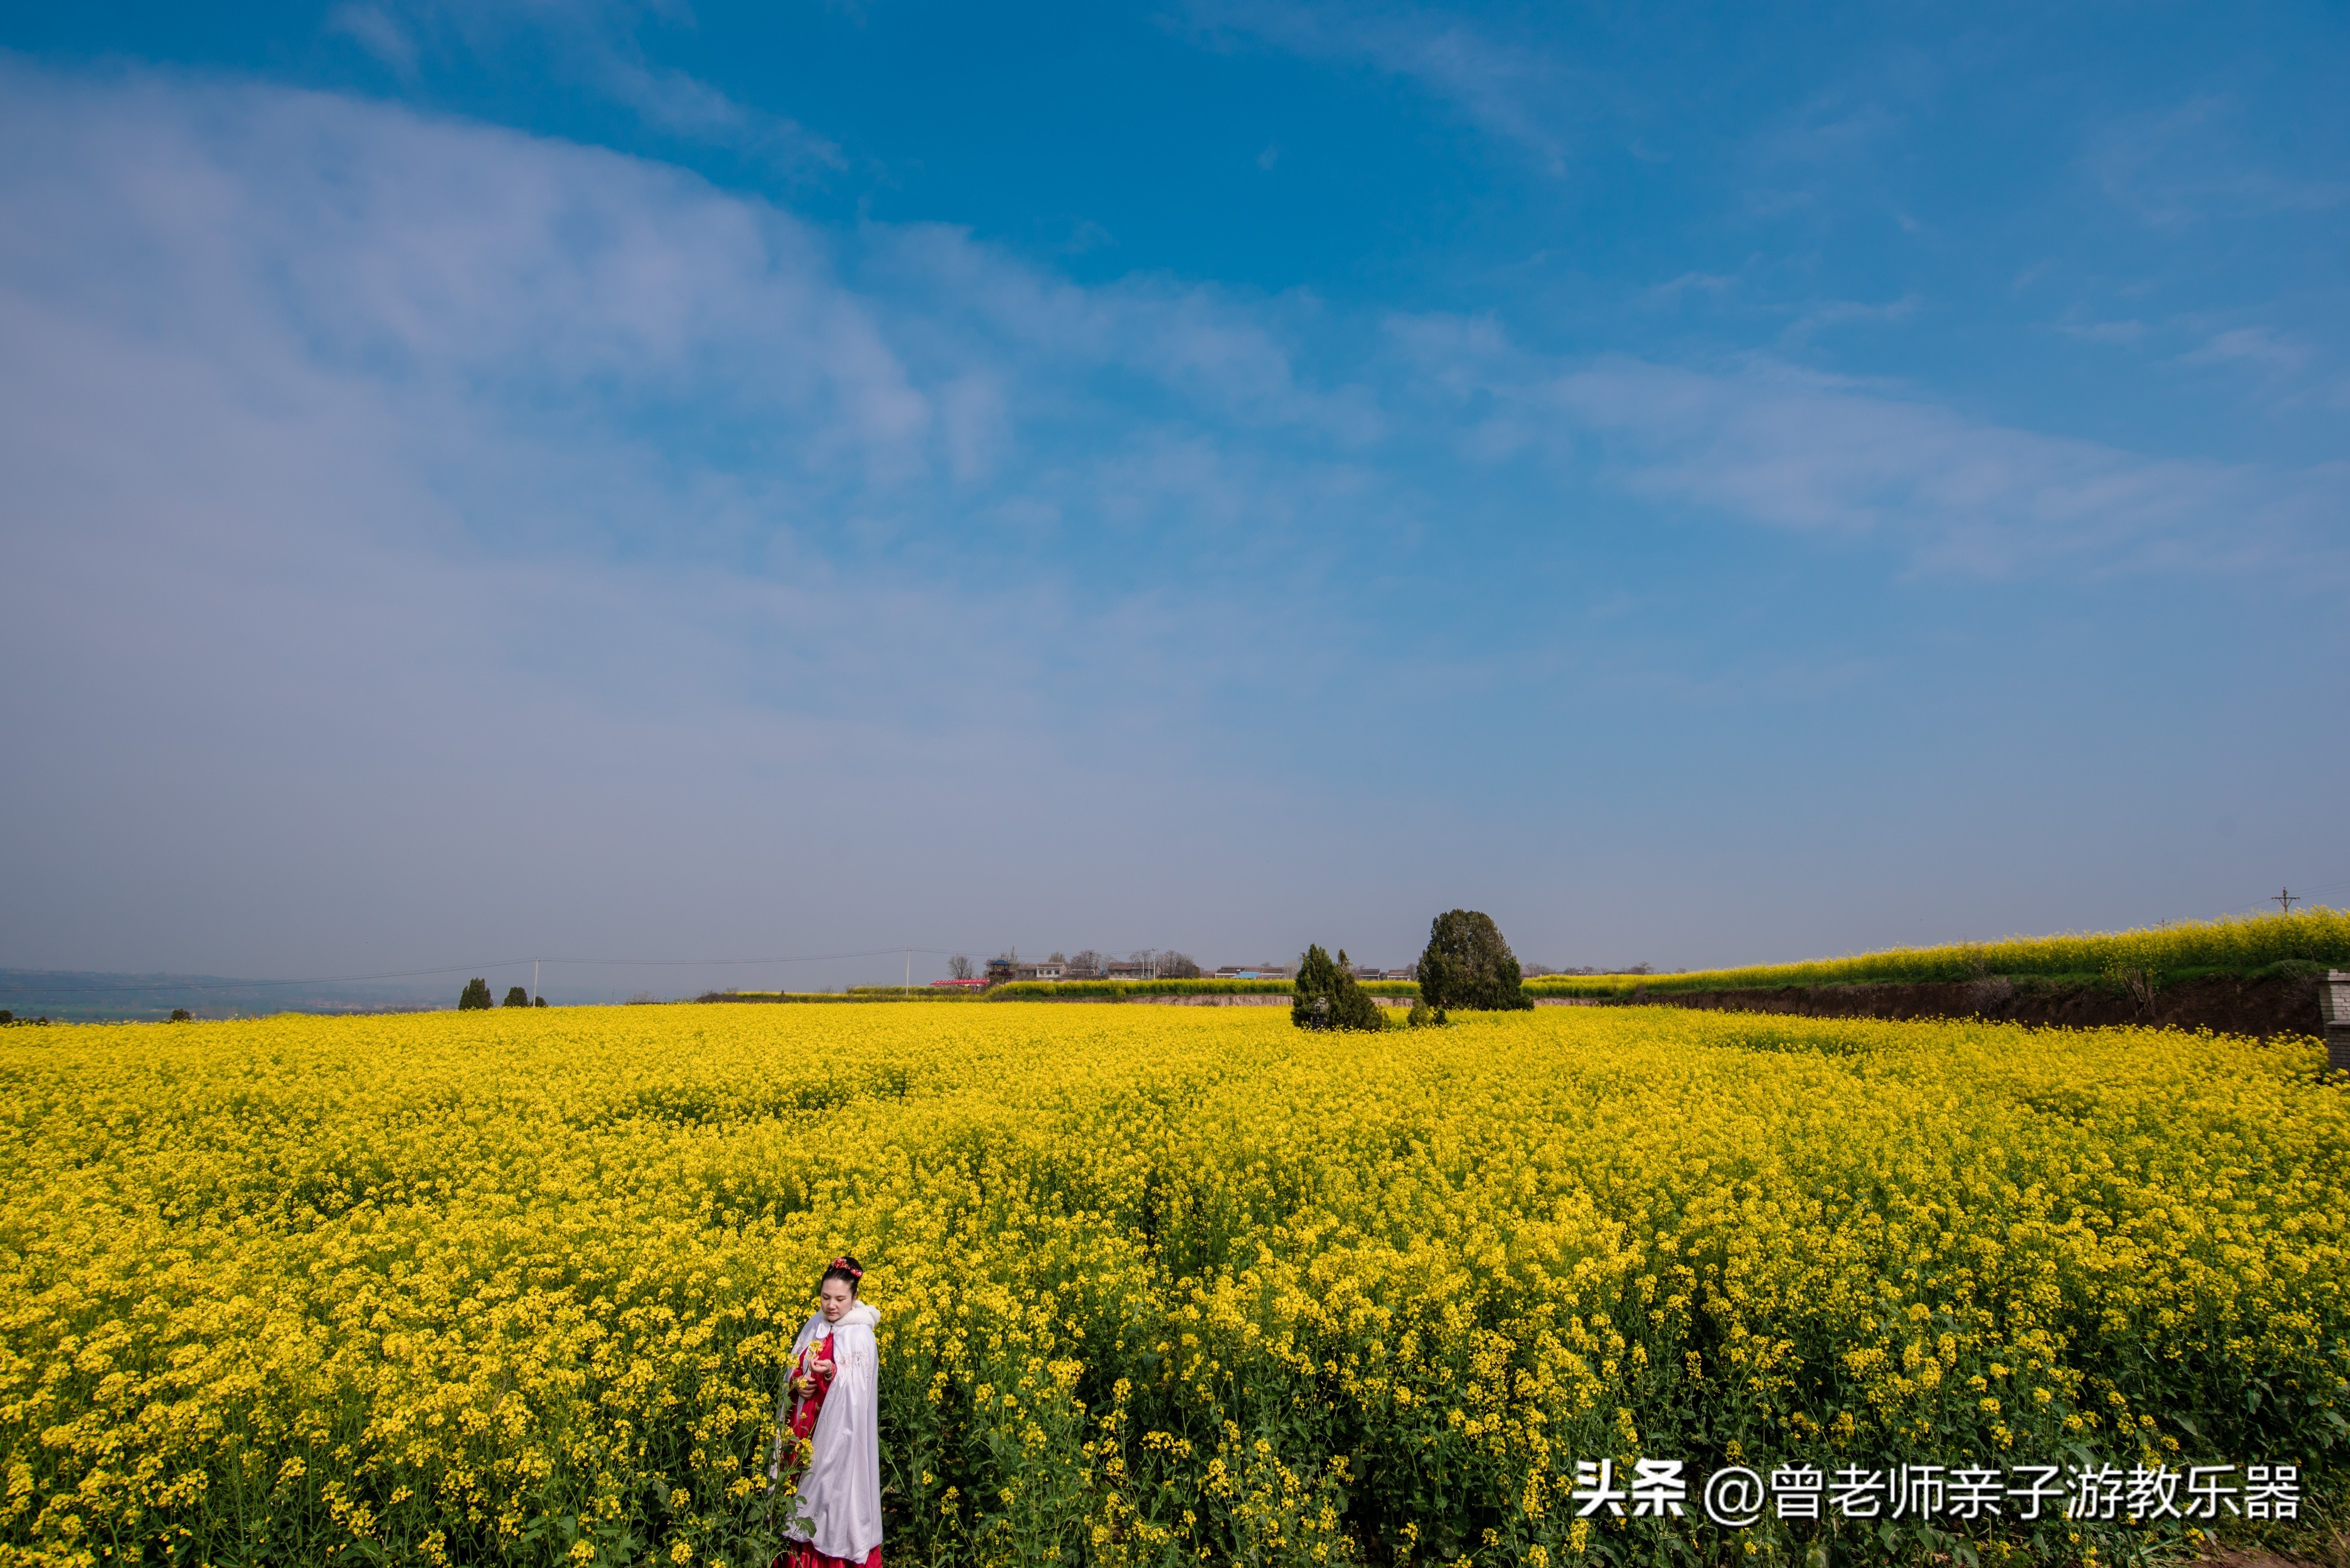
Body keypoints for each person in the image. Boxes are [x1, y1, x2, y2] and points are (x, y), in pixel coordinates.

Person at [770, 1256, 883, 1568]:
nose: (831, 1306)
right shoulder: (814, 1325)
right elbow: (793, 1368)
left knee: (831, 1496)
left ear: (855, 1297)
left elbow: (858, 1393)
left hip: (838, 1438)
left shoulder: (861, 1334)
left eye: (840, 1299)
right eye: (825, 1297)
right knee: (798, 1494)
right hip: (803, 1430)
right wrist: (798, 1382)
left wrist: (831, 1374)